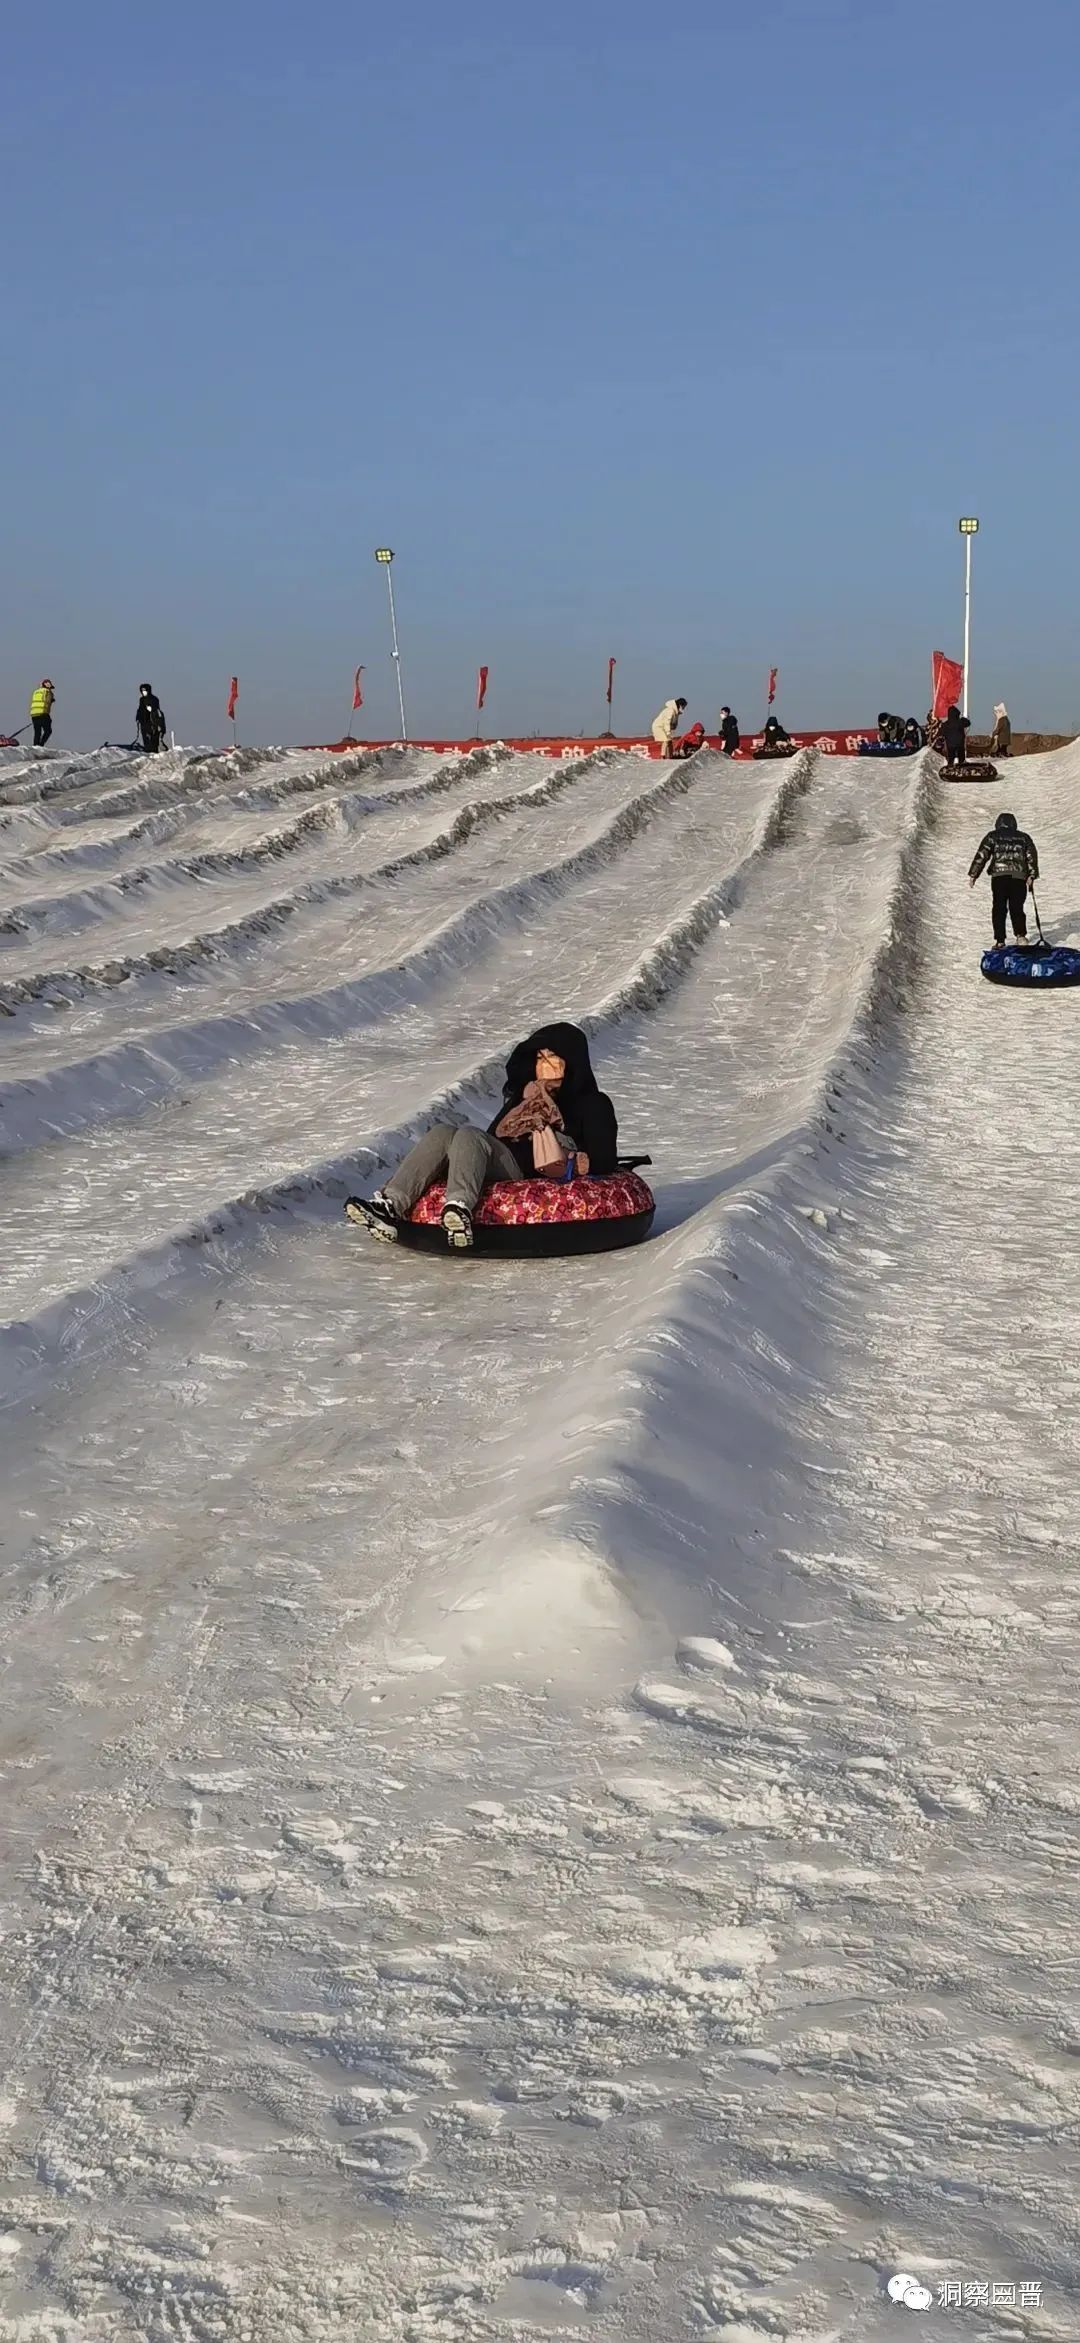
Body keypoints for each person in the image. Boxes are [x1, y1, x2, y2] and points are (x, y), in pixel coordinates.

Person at [346, 1023, 620, 1251]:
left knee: (468, 1134)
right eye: (539, 1057)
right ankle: (391, 1204)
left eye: (552, 1057)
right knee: (444, 1132)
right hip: (504, 1159)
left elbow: (605, 1156)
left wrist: (574, 1159)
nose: (544, 1064)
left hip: (531, 1169)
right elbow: (492, 1137)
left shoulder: (591, 1102)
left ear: (570, 1061)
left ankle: (460, 1207)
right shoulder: (523, 1097)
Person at [968, 811, 1039, 946]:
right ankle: (1021, 936)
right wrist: (1032, 875)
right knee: (1017, 907)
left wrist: (973, 875)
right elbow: (1031, 857)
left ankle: (1000, 940)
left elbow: (982, 856)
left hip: (999, 877)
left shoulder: (992, 836)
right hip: (1018, 877)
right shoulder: (1024, 838)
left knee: (999, 907)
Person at [136, 684, 167, 753]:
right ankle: (147, 750)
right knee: (145, 737)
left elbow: (156, 709)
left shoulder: (154, 699)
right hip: (144, 721)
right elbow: (140, 709)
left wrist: (152, 709)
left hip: (152, 721)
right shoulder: (141, 699)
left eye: (145, 691)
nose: (143, 692)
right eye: (142, 691)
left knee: (153, 736)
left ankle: (154, 750)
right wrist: (138, 717)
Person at [942, 704, 970, 770]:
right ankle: (962, 770)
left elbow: (943, 733)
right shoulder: (960, 722)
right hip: (960, 744)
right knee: (961, 758)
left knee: (951, 758)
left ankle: (949, 770)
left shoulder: (945, 724)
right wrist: (963, 718)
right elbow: (968, 723)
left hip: (950, 745)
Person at [29, 679, 55, 747]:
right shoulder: (47, 691)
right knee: (48, 731)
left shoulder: (36, 692)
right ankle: (41, 745)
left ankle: (35, 746)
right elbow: (48, 700)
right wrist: (52, 699)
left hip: (34, 714)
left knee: (37, 732)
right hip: (43, 713)